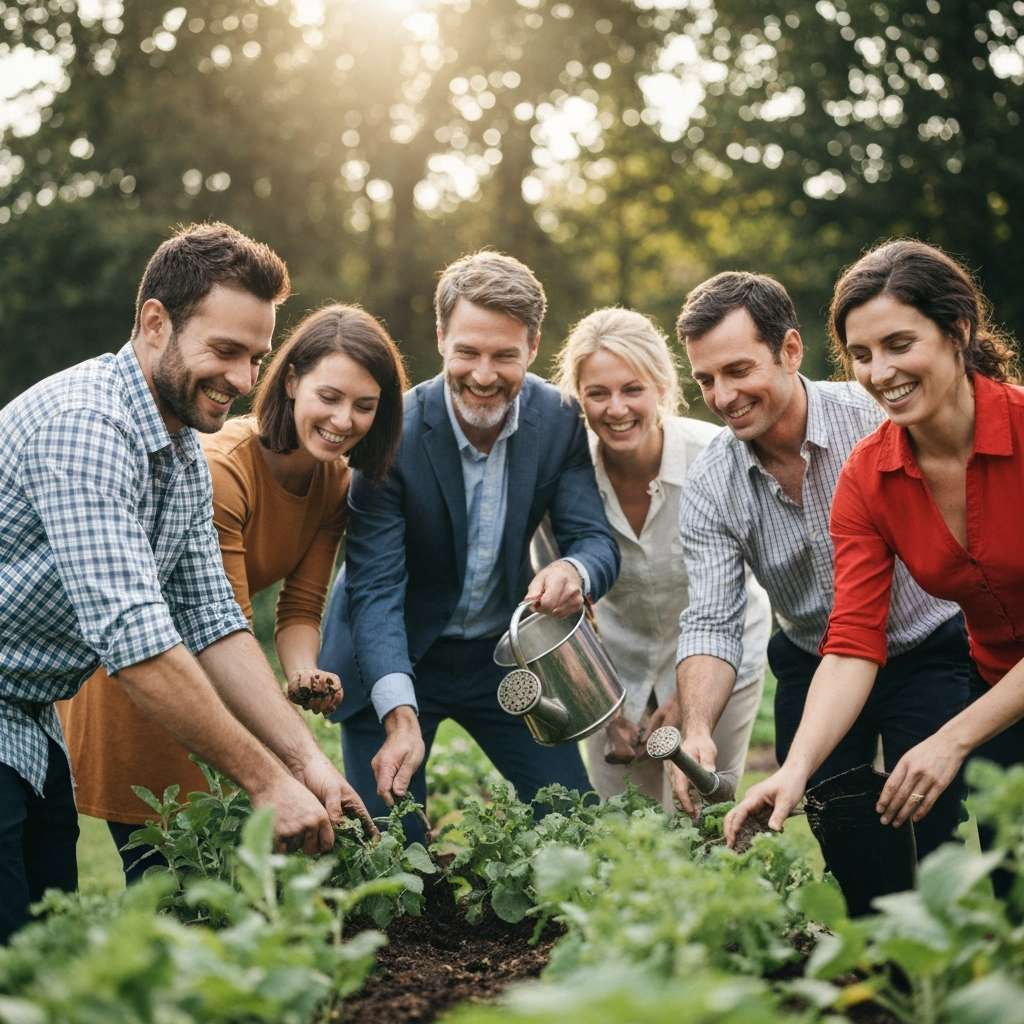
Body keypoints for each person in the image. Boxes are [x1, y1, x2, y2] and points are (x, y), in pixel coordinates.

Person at [0, 223, 372, 943]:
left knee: (47, 946)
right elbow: (136, 641)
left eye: (256, 358)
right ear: (153, 323)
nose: (241, 380)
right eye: (224, 350)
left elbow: (212, 622)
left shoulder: (180, 453)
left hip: (25, 713)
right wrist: (266, 785)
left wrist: (307, 765)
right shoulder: (86, 427)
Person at [60, 304, 404, 881]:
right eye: (330, 396)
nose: (344, 420)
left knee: (231, 888)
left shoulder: (334, 481)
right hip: (153, 689)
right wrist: (288, 760)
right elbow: (220, 623)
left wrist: (302, 674)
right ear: (291, 381)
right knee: (172, 884)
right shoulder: (224, 469)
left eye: (364, 406)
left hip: (227, 680)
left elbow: (299, 609)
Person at [725, 243, 1024, 888]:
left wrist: (951, 738)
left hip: (989, 706)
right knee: (1012, 896)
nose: (879, 372)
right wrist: (796, 768)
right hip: (1004, 696)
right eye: (861, 355)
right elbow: (854, 639)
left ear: (957, 332)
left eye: (898, 344)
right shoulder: (867, 475)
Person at [659, 271, 971, 860]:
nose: (723, 396)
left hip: (928, 644)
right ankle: (868, 948)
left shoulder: (877, 419)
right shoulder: (709, 483)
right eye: (706, 379)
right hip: (813, 655)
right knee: (846, 839)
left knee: (938, 831)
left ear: (791, 350)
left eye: (738, 370)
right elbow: (712, 620)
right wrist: (697, 727)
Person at [318, 251, 620, 843]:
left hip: (500, 656)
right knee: (391, 851)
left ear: (533, 347)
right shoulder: (392, 431)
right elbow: (375, 589)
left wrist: (573, 568)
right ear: (440, 339)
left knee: (577, 826)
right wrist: (399, 716)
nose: (484, 374)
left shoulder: (559, 419)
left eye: (504, 355)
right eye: (468, 352)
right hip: (393, 653)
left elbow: (596, 540)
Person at [550, 307, 771, 810]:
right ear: (578, 398)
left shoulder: (714, 455)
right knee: (629, 831)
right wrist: (603, 712)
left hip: (722, 665)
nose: (616, 408)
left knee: (706, 818)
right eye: (597, 393)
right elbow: (559, 616)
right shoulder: (564, 478)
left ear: (662, 388)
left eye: (633, 389)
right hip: (614, 680)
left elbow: (747, 587)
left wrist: (690, 703)